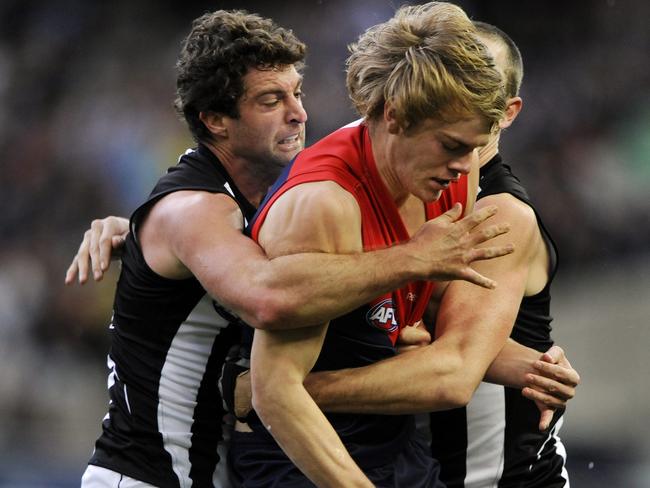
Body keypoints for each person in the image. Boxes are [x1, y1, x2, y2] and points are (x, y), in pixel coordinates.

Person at [71, 8, 524, 488]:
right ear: (215, 120)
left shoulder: (260, 199)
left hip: (220, 466)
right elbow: (271, 298)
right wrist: (414, 258)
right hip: (151, 473)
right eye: (271, 100)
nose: (299, 113)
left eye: (297, 93)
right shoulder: (195, 210)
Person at [227, 3, 578, 487]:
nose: (466, 164)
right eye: (453, 145)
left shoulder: (453, 171)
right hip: (302, 457)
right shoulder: (325, 203)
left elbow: (427, 318)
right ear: (395, 115)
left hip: (396, 446)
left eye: (476, 147)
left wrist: (526, 362)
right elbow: (273, 395)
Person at [426, 21, 571, 487]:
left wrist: (290, 389)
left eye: (478, 81)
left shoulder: (498, 214)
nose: (459, 93)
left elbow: (453, 367)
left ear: (506, 112)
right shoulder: (402, 188)